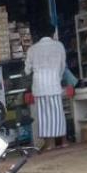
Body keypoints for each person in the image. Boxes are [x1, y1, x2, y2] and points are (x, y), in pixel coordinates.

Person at [24, 22, 72, 152]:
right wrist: (58, 77)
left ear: (37, 35)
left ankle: (50, 144)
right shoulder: (59, 46)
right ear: (52, 33)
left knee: (44, 115)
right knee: (58, 113)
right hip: (54, 83)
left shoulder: (32, 49)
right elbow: (63, 66)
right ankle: (64, 141)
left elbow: (27, 70)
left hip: (40, 85)